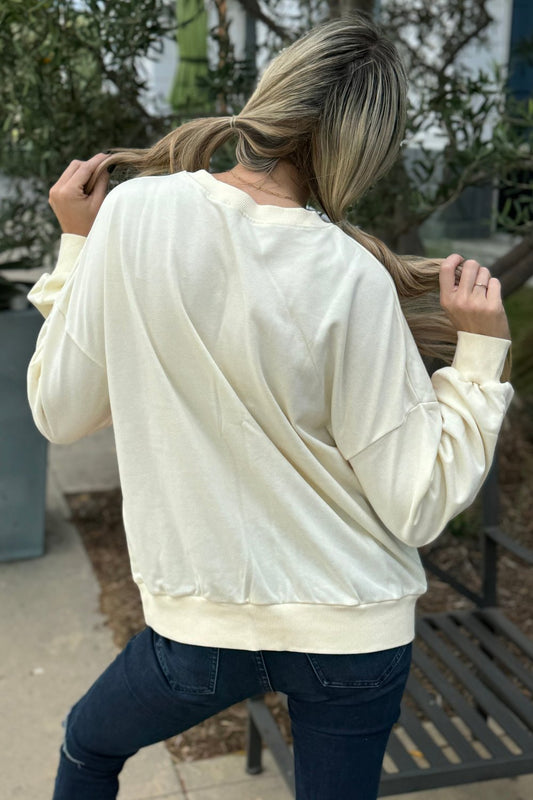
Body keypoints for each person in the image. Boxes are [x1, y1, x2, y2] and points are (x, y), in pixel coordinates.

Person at [27, 15, 513, 800]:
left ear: (272, 93)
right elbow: (416, 503)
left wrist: (77, 248)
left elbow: (60, 412)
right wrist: (479, 358)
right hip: (352, 629)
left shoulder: (134, 215)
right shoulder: (350, 276)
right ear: (367, 148)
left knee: (88, 747)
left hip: (201, 630)